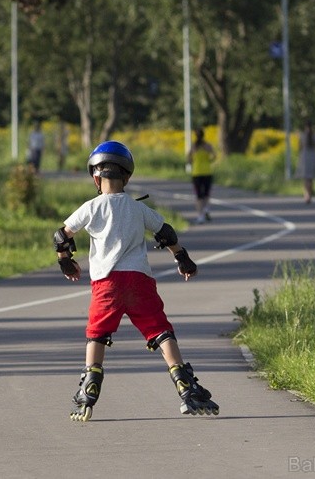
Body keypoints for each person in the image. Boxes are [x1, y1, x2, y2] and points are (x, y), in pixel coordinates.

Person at [54, 141, 219, 422]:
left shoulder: (91, 207)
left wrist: (65, 261)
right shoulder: (137, 208)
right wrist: (182, 258)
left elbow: (61, 236)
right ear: (127, 177)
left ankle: (88, 390)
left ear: (95, 177)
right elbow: (166, 232)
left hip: (107, 284)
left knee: (97, 333)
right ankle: (185, 387)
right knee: (160, 330)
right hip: (140, 281)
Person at [186, 127, 217, 224]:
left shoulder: (194, 146)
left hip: (197, 172)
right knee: (206, 193)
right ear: (203, 135)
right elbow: (214, 156)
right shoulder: (207, 146)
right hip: (207, 171)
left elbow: (188, 158)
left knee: (199, 195)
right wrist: (208, 161)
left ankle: (200, 216)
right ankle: (206, 209)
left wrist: (193, 162)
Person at [297, 119, 315, 204]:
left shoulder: (302, 135)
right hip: (313, 156)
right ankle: (310, 195)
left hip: (304, 157)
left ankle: (306, 195)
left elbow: (300, 147)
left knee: (305, 178)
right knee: (310, 178)